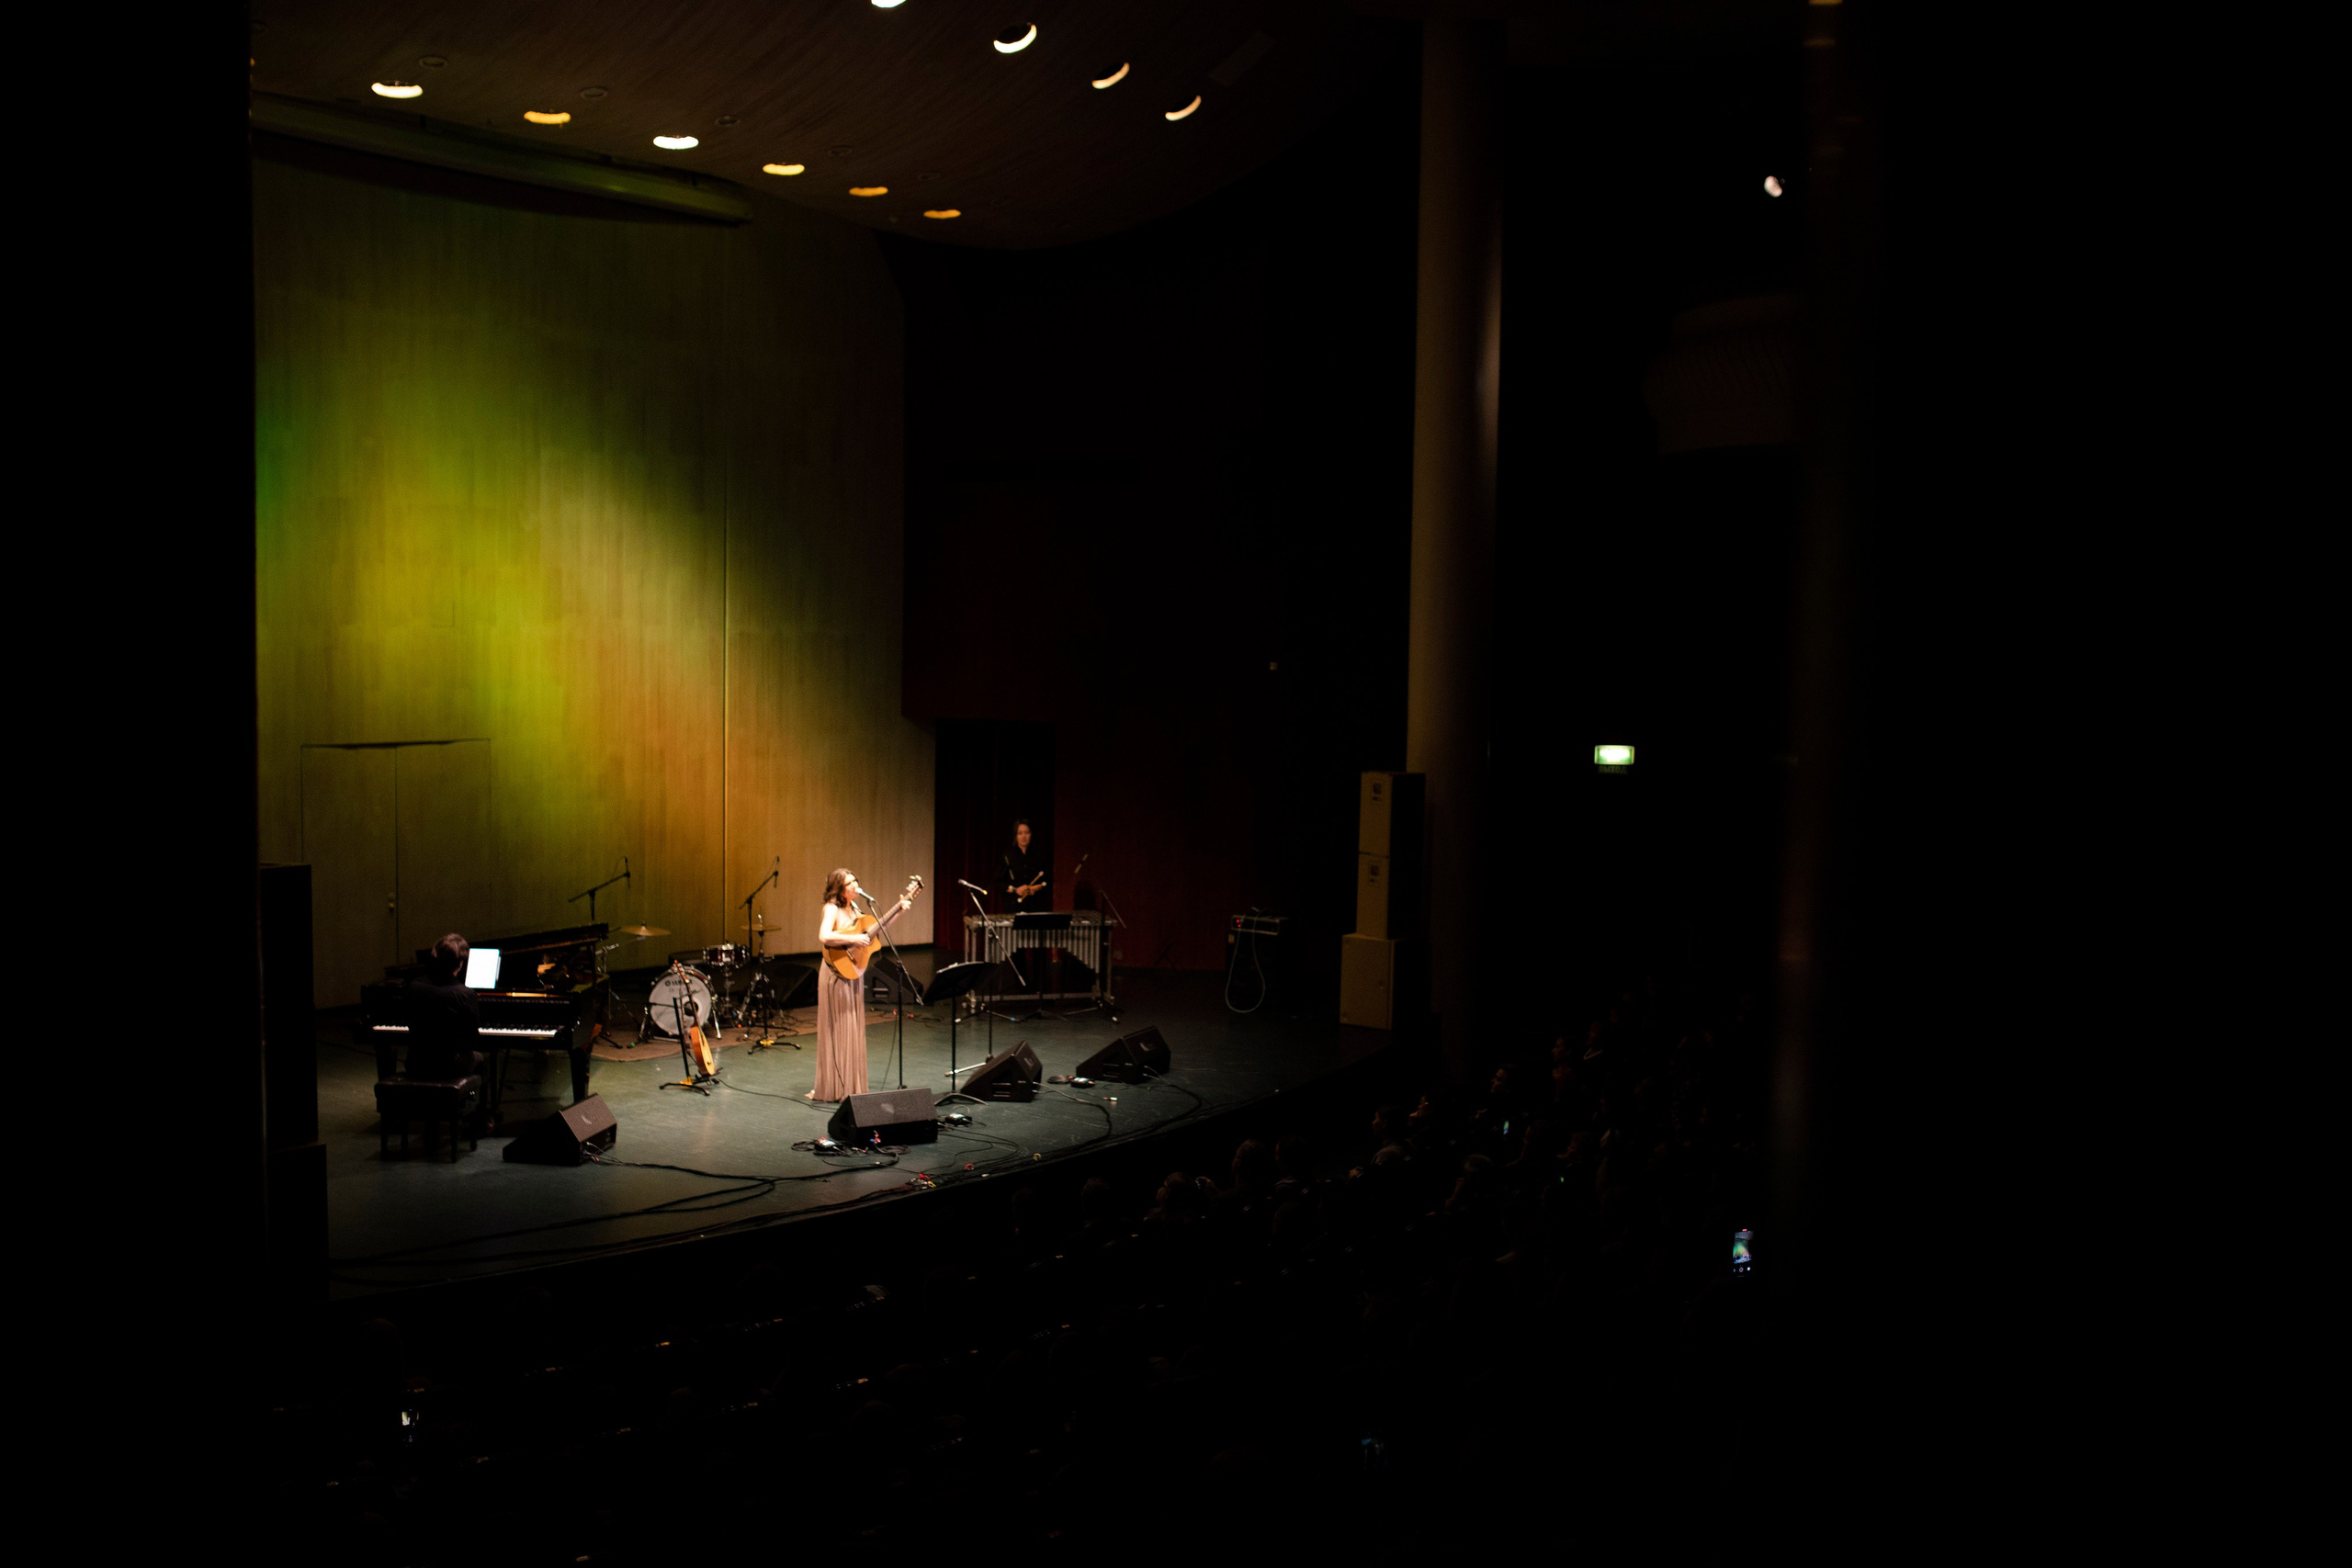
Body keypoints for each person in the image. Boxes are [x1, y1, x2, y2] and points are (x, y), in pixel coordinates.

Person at [811, 869, 912, 1101]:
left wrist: (898, 910)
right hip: (835, 972)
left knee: (853, 1026)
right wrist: (854, 939)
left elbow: (875, 932)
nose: (855, 885)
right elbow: (825, 937)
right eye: (850, 883)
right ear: (838, 888)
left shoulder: (855, 909)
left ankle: (851, 1086)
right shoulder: (831, 908)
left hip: (853, 971)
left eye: (856, 880)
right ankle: (835, 1087)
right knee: (841, 1025)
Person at [403, 933, 484, 1085]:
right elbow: (472, 1038)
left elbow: (409, 1021)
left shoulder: (414, 987)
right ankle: (476, 1106)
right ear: (460, 964)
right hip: (450, 1067)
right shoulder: (465, 994)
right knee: (480, 1058)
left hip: (416, 1063)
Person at [1002, 819, 1048, 913]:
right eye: (1020, 833)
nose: (1024, 836)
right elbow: (999, 882)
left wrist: (1036, 888)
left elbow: (1048, 881)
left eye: (1027, 833)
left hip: (1036, 906)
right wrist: (1016, 890)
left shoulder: (1040, 855)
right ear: (1016, 836)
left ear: (1031, 834)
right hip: (1014, 906)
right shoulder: (1008, 856)